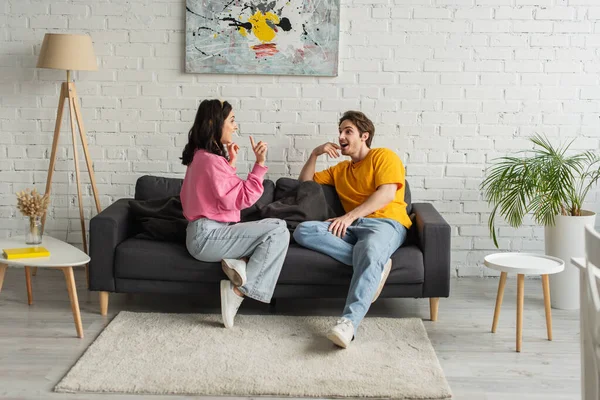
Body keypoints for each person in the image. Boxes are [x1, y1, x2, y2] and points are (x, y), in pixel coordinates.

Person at [293, 111, 412, 348]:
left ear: (364, 136)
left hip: (386, 223)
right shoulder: (340, 171)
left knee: (369, 249)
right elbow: (304, 182)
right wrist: (315, 153)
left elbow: (387, 194)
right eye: (340, 131)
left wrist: (347, 217)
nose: (341, 136)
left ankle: (348, 324)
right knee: (303, 231)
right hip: (354, 228)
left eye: (348, 131)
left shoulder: (383, 156)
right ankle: (376, 264)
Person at [180, 99, 289, 329]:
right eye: (231, 120)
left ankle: (240, 265)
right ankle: (238, 292)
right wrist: (259, 164)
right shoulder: (210, 161)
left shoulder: (200, 157)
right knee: (278, 229)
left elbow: (218, 194)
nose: (235, 126)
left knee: (271, 232)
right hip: (207, 237)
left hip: (206, 234)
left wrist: (229, 163)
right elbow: (241, 198)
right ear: (214, 122)